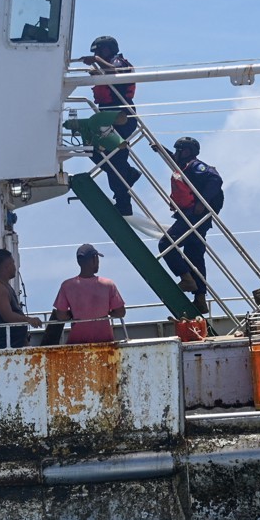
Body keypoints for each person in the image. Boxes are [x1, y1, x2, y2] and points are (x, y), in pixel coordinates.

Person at [157, 136, 224, 313]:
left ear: (186, 152)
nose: (176, 154)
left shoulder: (196, 166)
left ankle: (187, 279)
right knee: (194, 255)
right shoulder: (185, 167)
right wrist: (159, 149)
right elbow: (173, 161)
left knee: (166, 244)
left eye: (178, 150)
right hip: (193, 217)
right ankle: (200, 297)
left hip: (194, 216)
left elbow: (215, 179)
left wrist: (202, 203)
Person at [79, 36, 141, 215]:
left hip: (122, 118)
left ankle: (123, 203)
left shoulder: (119, 62)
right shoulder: (106, 67)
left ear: (110, 49)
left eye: (100, 51)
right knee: (96, 151)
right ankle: (128, 175)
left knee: (116, 159)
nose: (98, 55)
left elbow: (117, 72)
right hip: (107, 118)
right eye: (96, 53)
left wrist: (97, 62)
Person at [52, 243, 127, 344]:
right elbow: (120, 312)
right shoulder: (108, 284)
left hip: (76, 342)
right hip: (105, 341)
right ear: (94, 259)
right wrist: (106, 311)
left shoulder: (67, 285)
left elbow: (61, 315)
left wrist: (73, 314)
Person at [0, 248, 42, 349]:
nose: (15, 268)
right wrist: (29, 320)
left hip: (14, 348)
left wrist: (26, 343)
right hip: (2, 350)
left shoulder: (5, 286)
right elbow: (8, 317)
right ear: (6, 266)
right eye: (13, 263)